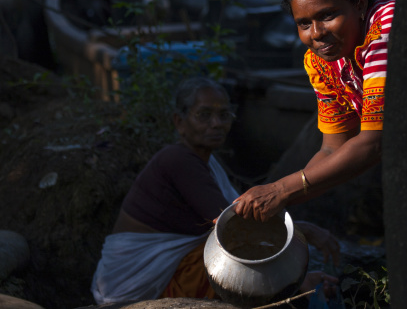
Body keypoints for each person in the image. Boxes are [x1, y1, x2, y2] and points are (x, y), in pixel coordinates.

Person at [91, 76, 339, 304]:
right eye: (204, 115)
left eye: (224, 115)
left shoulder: (206, 163)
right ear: (180, 122)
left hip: (170, 267)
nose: (216, 124)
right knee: (233, 260)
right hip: (137, 281)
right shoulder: (177, 159)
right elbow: (231, 226)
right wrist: (304, 231)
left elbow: (240, 220)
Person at [233, 0, 396, 222]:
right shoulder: (321, 61)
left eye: (327, 15)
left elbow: (374, 142)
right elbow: (333, 149)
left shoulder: (384, 25)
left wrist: (281, 189)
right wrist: (274, 206)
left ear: (360, 3)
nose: (317, 33)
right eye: (304, 24)